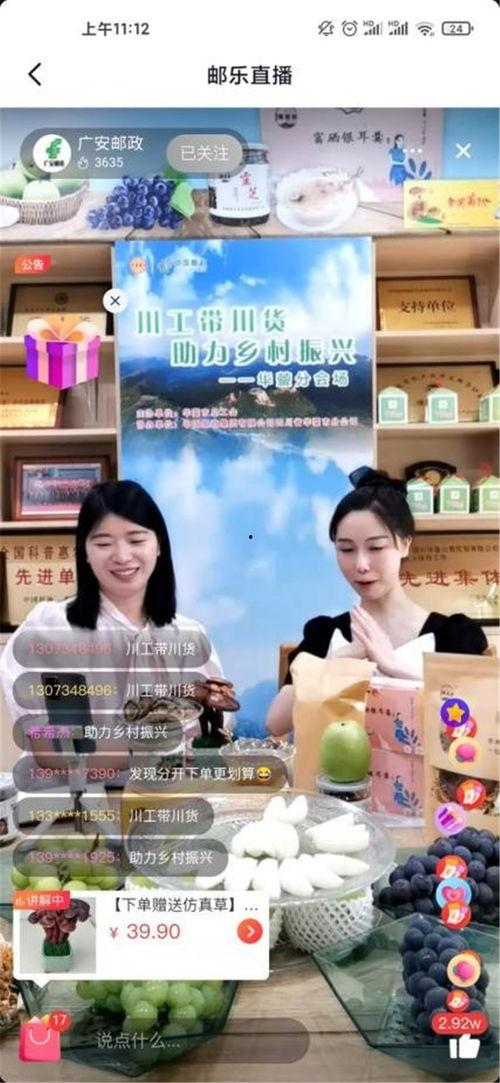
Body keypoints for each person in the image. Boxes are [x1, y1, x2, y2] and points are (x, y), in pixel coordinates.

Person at [0, 480, 234, 771]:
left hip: (170, 791)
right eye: (103, 543)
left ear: (159, 546)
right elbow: (53, 748)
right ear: (85, 552)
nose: (122, 556)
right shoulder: (52, 628)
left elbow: (214, 730)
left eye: (136, 541)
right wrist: (153, 747)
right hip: (76, 794)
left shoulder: (188, 635)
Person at [266, 466, 487, 737]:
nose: (361, 564)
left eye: (376, 547)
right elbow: (276, 723)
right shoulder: (325, 634)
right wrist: (334, 664)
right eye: (346, 549)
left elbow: (476, 721)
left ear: (405, 544)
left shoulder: (452, 636)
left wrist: (392, 665)